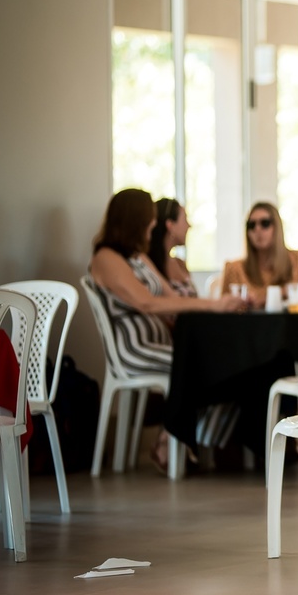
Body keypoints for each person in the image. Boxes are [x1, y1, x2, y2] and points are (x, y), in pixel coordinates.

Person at [88, 188, 244, 470]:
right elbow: (146, 302)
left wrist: (213, 308)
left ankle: (176, 437)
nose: (153, 223)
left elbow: (171, 297)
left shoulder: (139, 257)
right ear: (135, 219)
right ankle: (171, 440)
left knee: (226, 362)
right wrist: (214, 305)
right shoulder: (106, 258)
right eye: (149, 218)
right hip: (135, 350)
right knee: (210, 366)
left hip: (162, 345)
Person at [219, 202, 298, 309]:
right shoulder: (234, 268)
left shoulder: (297, 259)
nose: (257, 229)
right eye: (251, 225)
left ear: (277, 227)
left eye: (265, 223)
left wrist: (288, 292)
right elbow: (223, 308)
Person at [148, 198, 197, 297]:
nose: (189, 226)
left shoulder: (180, 264)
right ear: (170, 225)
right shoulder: (149, 266)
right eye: (185, 219)